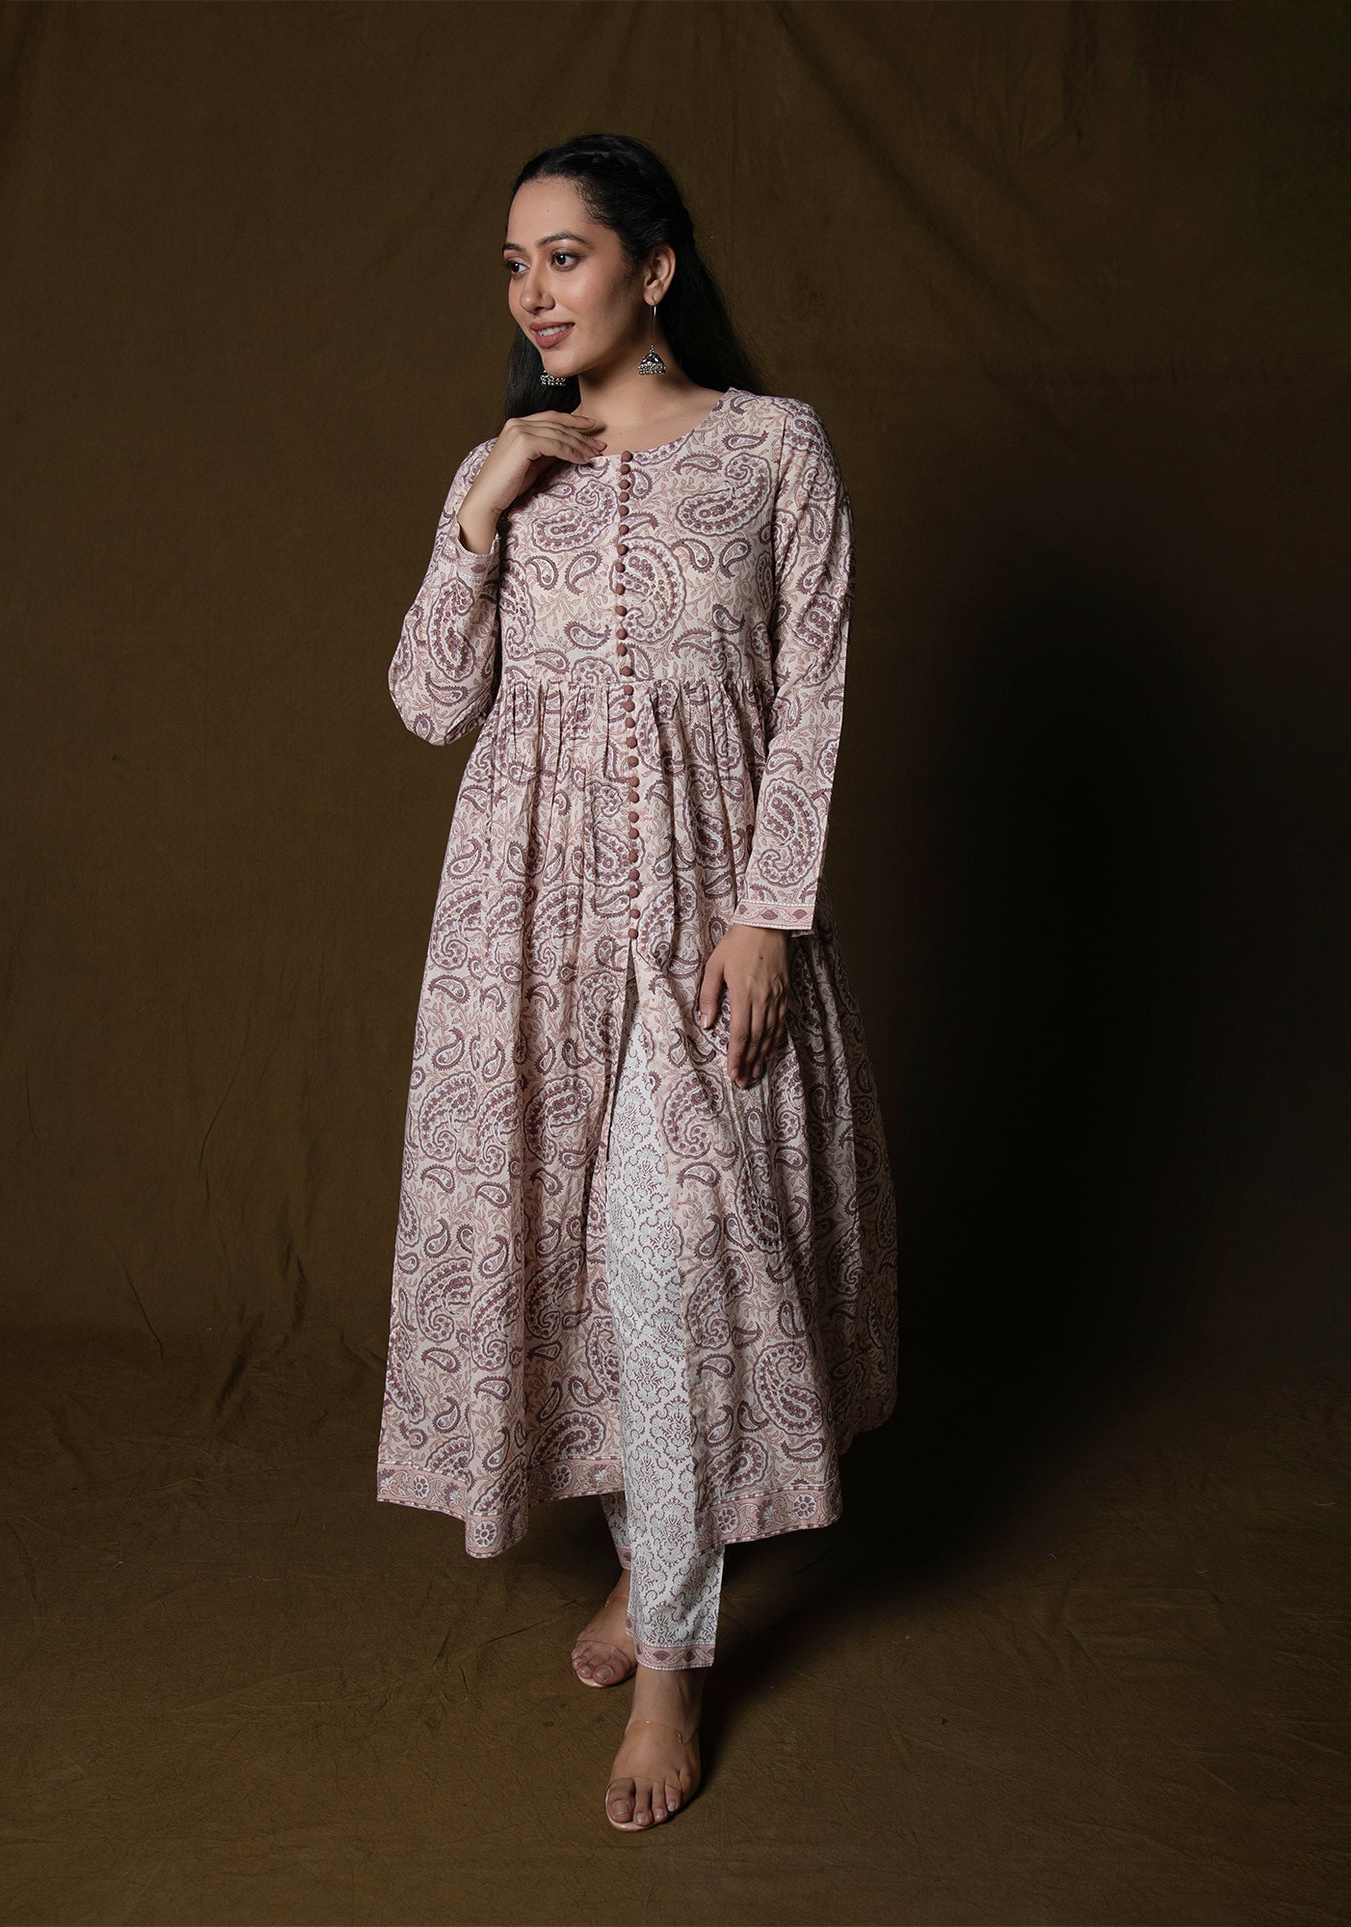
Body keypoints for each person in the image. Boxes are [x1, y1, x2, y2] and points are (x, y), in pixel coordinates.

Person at [377, 132, 898, 1831]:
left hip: (702, 924)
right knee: (589, 1272)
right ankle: (645, 1561)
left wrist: (767, 914)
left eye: (565, 256)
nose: (533, 294)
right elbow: (427, 704)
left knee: (673, 1265)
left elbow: (812, 694)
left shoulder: (771, 449)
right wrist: (479, 508)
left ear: (653, 269)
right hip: (520, 929)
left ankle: (671, 1657)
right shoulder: (506, 468)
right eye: (512, 266)